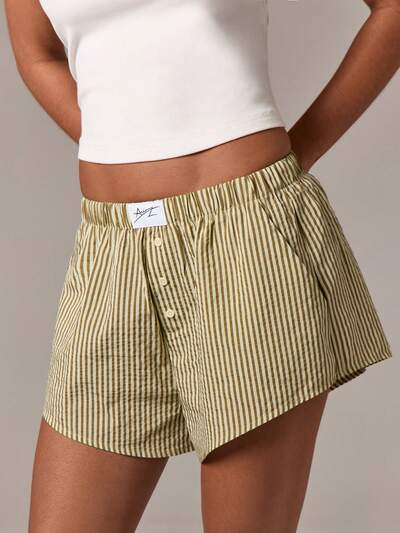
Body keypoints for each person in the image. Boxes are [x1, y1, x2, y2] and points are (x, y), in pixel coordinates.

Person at [5, 0, 397, 531]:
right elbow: (37, 54)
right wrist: (126, 146)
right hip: (113, 253)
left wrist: (293, 156)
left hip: (246, 242)